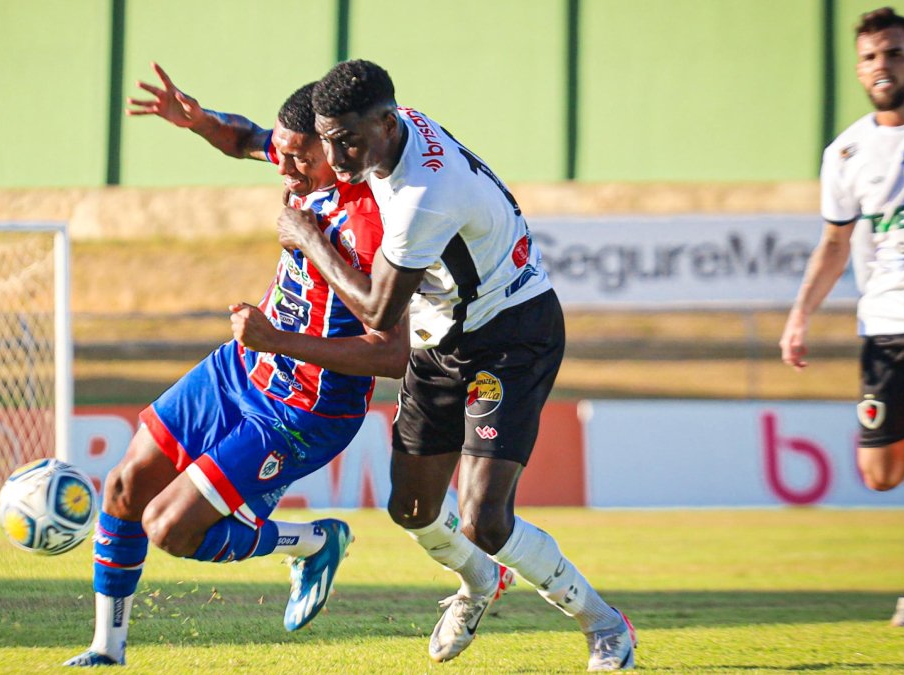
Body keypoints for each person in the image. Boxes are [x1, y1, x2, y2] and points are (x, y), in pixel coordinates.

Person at [272, 60, 635, 670]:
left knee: (484, 520)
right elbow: (276, 141)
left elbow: (380, 311)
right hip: (443, 336)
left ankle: (603, 624)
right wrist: (205, 122)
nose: (334, 159)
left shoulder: (424, 195)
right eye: (327, 141)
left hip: (510, 336)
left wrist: (308, 236)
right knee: (410, 509)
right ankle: (480, 585)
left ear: (387, 124)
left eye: (347, 142)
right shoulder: (384, 131)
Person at [64, 74, 412, 667]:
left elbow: (391, 354)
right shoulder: (295, 158)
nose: (286, 171)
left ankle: (313, 542)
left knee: (171, 530)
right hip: (241, 368)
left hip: (304, 410)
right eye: (284, 156)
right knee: (123, 488)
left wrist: (278, 335)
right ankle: (106, 650)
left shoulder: (374, 220)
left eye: (299, 160)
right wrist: (197, 120)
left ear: (333, 150)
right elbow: (245, 138)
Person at [780, 7, 904, 627]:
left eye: (895, 54)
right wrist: (800, 317)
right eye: (873, 56)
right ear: (859, 68)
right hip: (883, 326)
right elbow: (834, 244)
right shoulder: (846, 152)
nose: (884, 66)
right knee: (881, 474)